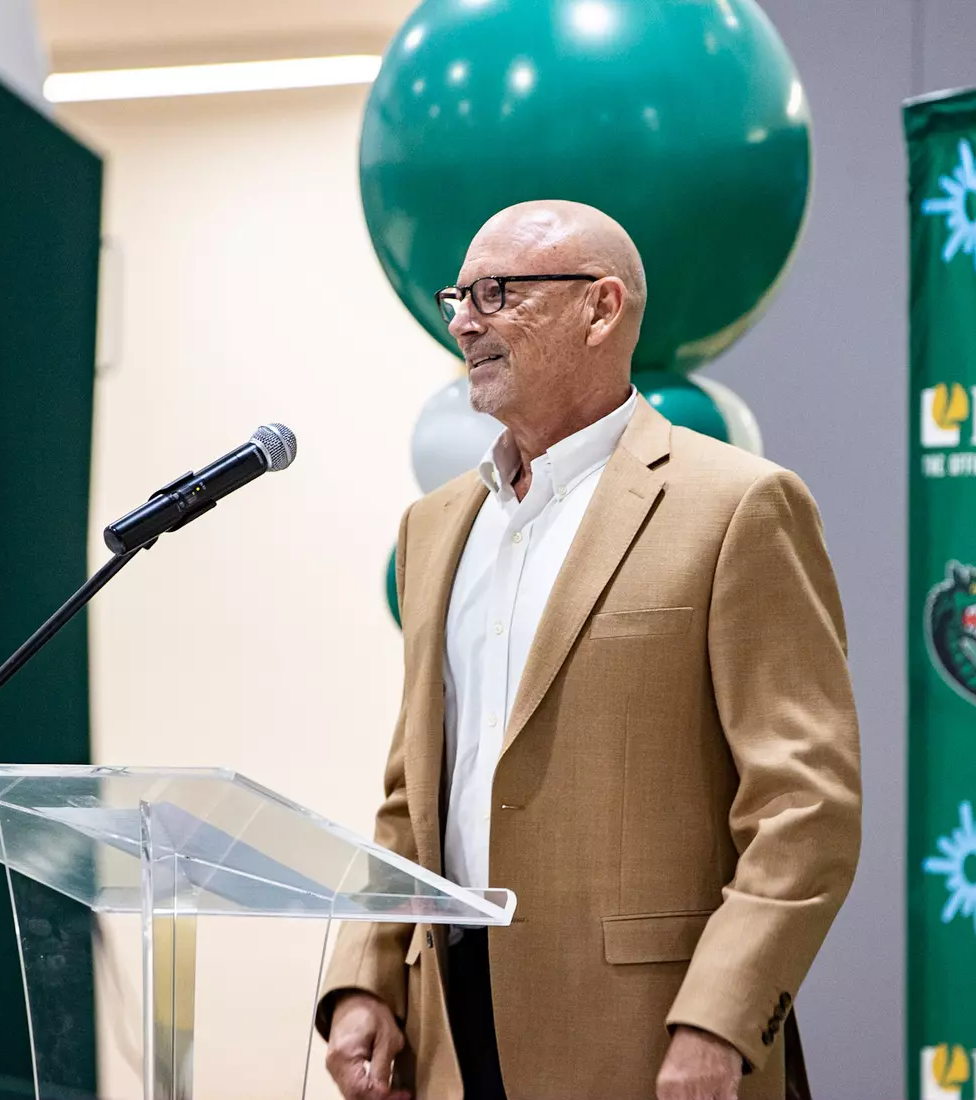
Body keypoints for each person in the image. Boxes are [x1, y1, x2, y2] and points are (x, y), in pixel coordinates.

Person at [317, 200, 861, 1100]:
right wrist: (364, 976)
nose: (462, 319)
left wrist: (722, 1020)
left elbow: (805, 806)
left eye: (497, 292)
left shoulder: (736, 506)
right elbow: (410, 798)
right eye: (459, 295)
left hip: (650, 1042)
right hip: (447, 1033)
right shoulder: (434, 526)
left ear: (600, 308)